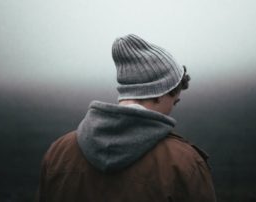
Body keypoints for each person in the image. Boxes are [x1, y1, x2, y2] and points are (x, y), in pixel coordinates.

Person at [36, 34, 216, 202]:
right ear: (158, 93)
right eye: (174, 102)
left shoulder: (58, 153)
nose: (172, 109)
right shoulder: (184, 163)